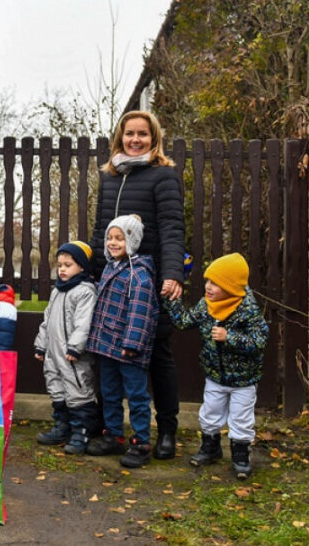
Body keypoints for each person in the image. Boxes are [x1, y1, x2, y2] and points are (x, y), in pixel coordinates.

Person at [90, 110, 185, 460]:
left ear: (154, 137)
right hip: (113, 282)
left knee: (158, 355)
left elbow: (174, 227)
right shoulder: (110, 176)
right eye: (129, 133)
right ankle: (112, 431)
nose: (135, 140)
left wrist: (172, 273)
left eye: (142, 134)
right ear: (120, 137)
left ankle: (166, 431)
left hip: (147, 283)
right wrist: (94, 271)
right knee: (108, 357)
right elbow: (101, 229)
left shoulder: (164, 175)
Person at [163, 252, 268, 479]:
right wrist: (171, 299)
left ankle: (240, 455)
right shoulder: (207, 305)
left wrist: (229, 337)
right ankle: (210, 447)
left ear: (231, 287)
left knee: (241, 418)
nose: (208, 287)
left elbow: (259, 342)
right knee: (209, 413)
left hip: (243, 380)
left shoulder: (247, 310)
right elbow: (184, 321)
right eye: (208, 281)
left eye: (215, 284)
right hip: (215, 375)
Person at [86, 215, 159, 468]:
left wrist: (132, 344)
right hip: (107, 346)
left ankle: (141, 442)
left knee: (137, 396)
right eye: (110, 237)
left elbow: (140, 314)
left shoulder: (139, 276)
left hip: (129, 350)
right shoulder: (110, 268)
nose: (112, 243)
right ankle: (113, 434)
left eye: (119, 238)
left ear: (133, 240)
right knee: (109, 392)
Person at [33, 241, 101, 455]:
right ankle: (62, 426)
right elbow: (47, 320)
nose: (62, 269)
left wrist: (75, 347)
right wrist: (41, 345)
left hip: (73, 355)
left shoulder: (85, 291)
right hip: (54, 353)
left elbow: (84, 323)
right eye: (60, 265)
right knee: (56, 388)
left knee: (78, 389)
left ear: (81, 266)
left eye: (68, 265)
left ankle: (82, 430)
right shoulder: (57, 291)